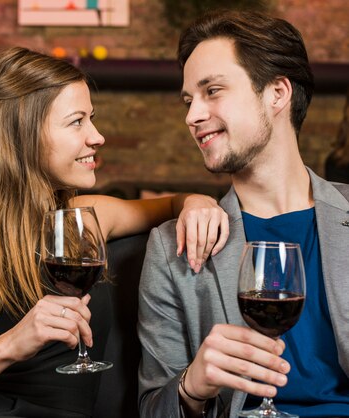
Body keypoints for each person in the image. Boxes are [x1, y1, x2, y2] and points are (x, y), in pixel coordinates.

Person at [0, 46, 228, 418]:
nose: (97, 136)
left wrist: (197, 201)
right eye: (77, 122)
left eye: (92, 118)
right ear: (22, 136)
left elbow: (175, 203)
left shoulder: (87, 219)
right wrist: (11, 344)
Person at [138, 10, 349, 418]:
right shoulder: (171, 248)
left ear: (277, 92)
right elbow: (152, 409)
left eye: (212, 91)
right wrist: (192, 386)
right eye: (188, 100)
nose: (191, 115)